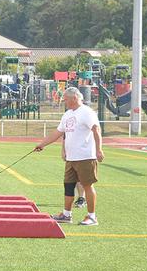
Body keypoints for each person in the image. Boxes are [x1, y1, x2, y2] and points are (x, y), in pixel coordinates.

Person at [33, 86, 104, 226]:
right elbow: (58, 133)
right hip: (71, 158)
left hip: (85, 157)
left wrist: (99, 150)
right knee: (68, 186)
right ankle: (66, 214)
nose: (64, 101)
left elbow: (96, 130)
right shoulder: (67, 114)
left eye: (66, 99)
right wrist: (42, 144)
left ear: (74, 98)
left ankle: (92, 217)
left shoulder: (86, 112)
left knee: (87, 186)